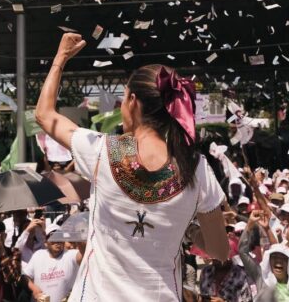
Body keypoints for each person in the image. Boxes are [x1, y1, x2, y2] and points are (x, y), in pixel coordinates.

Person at [34, 33, 229, 301]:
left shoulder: (103, 151)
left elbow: (44, 114)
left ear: (134, 102)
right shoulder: (196, 167)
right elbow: (219, 250)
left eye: (123, 99)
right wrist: (188, 229)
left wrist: (60, 59)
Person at [24, 226, 82, 302]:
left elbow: (84, 254)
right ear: (45, 242)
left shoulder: (70, 255)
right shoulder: (38, 255)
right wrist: (34, 289)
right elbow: (25, 276)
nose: (57, 240)